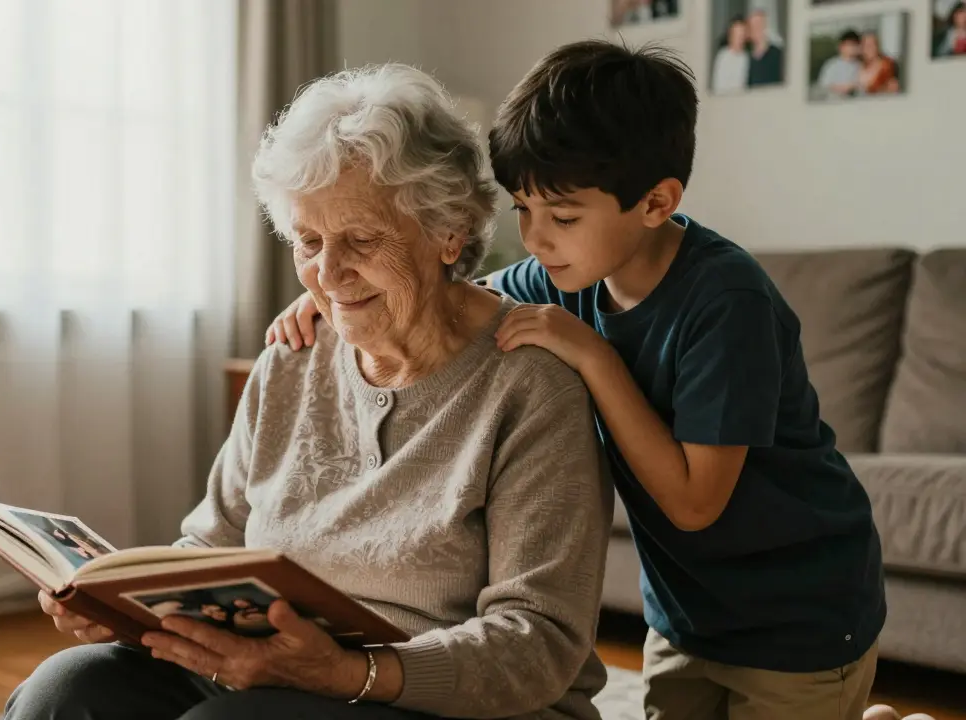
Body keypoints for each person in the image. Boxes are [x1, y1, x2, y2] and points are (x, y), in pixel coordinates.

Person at [269, 40, 889, 720]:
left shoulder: (727, 303)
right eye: (523, 209)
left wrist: (595, 357)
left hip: (801, 614)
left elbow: (693, 503)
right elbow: (445, 292)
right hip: (689, 613)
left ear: (656, 202)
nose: (537, 239)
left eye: (563, 217)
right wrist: (337, 296)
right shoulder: (560, 273)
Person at [5, 62, 614, 720]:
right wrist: (123, 607)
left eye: (361, 239)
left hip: (441, 699)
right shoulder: (291, 359)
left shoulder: (530, 385)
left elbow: (537, 642)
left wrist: (346, 672)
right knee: (64, 691)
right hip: (269, 673)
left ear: (449, 233)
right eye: (308, 240)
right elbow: (212, 546)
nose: (327, 273)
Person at [816, 30, 864, 99]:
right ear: (841, 46)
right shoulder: (831, 65)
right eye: (850, 45)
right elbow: (824, 86)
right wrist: (846, 87)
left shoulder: (860, 65)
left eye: (855, 45)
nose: (852, 48)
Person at [711, 15, 750, 95]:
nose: (739, 38)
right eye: (737, 34)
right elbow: (718, 88)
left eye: (742, 34)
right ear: (730, 35)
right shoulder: (723, 56)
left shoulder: (747, 57)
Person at [746, 9, 784, 87]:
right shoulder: (746, 56)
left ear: (765, 27)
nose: (756, 29)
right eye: (752, 26)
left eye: (759, 25)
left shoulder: (777, 55)